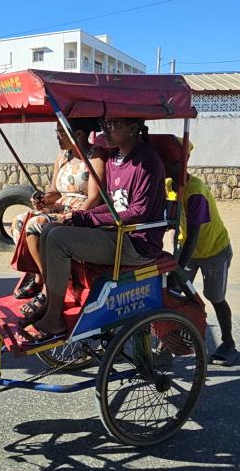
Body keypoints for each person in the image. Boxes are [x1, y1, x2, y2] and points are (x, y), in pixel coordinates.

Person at [23, 117, 166, 341]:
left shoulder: (147, 160)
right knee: (49, 229)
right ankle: (51, 304)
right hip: (116, 234)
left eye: (112, 124)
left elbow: (139, 211)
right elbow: (110, 205)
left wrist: (87, 219)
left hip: (136, 242)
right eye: (104, 125)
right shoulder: (114, 159)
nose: (104, 130)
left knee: (58, 238)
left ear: (132, 128)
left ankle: (54, 319)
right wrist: (78, 216)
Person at [9, 118, 107, 308]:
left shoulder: (97, 156)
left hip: (81, 211)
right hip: (60, 206)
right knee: (19, 221)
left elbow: (94, 198)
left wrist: (77, 217)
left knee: (35, 224)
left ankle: (49, 288)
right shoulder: (62, 156)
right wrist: (43, 200)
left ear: (78, 134)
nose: (57, 137)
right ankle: (40, 277)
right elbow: (55, 191)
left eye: (60, 133)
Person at [176, 160, 238, 365]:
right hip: (187, 248)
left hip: (214, 250)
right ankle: (172, 339)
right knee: (175, 293)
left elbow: (194, 235)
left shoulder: (195, 191)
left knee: (216, 297)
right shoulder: (169, 185)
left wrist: (177, 268)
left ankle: (228, 343)